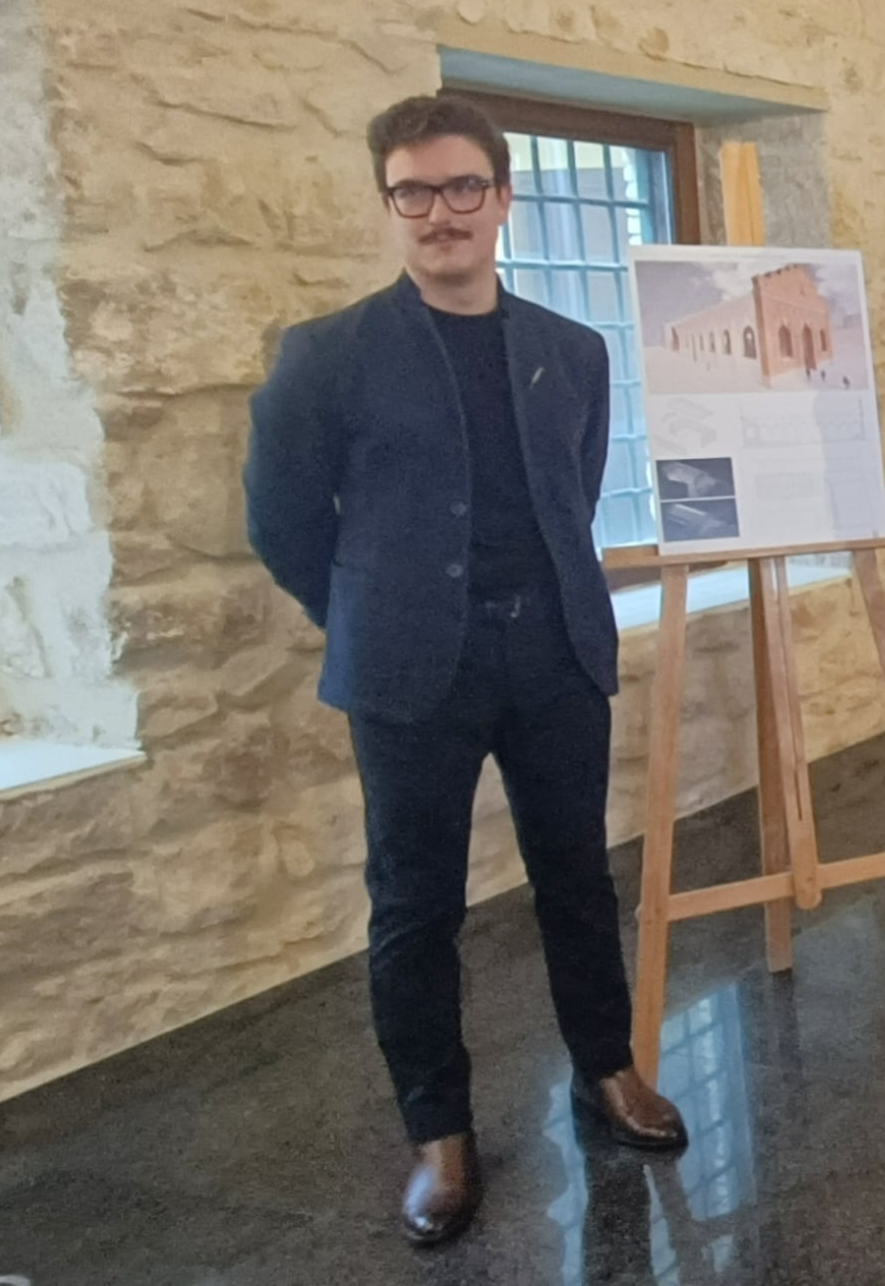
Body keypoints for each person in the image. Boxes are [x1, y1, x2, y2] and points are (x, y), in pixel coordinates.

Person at [246, 94, 687, 1248]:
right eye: (413, 191)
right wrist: (369, 613)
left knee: (576, 878)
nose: (439, 212)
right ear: (388, 203)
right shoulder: (329, 355)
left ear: (501, 197)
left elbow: (572, 489)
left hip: (551, 647)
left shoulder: (571, 350)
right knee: (414, 905)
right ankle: (440, 1131)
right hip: (409, 671)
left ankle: (609, 1068)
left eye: (461, 188)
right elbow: (286, 521)